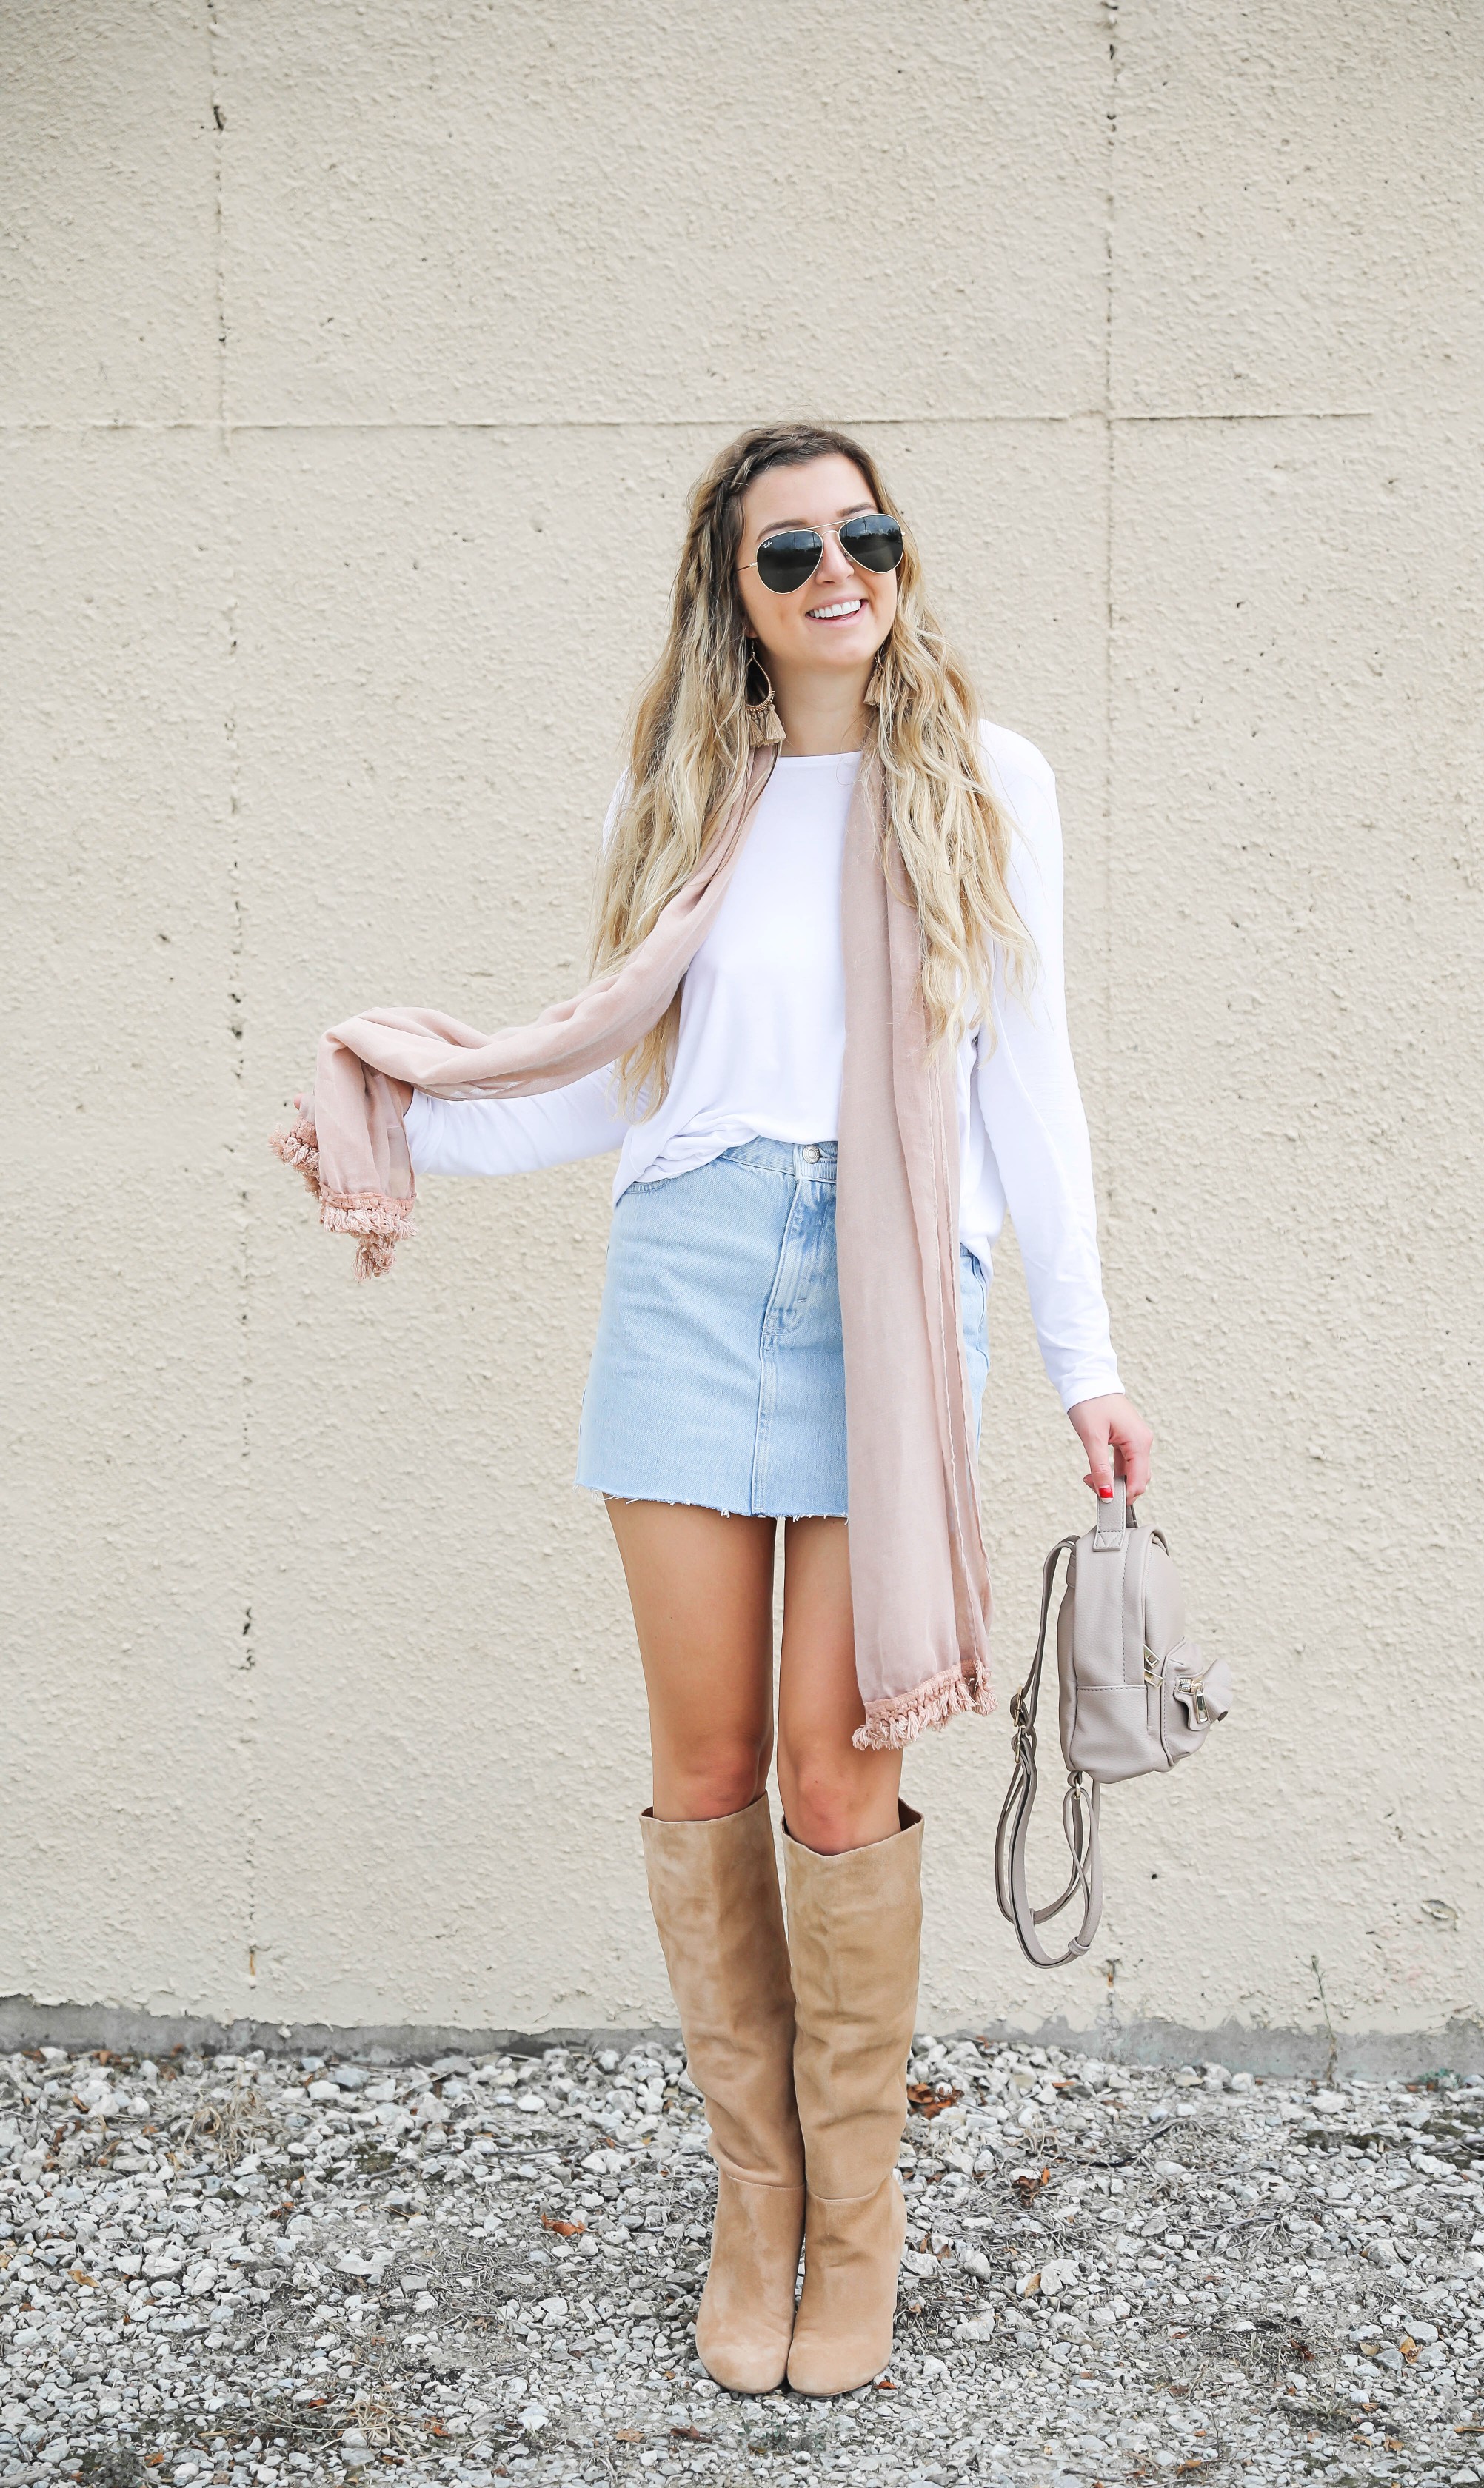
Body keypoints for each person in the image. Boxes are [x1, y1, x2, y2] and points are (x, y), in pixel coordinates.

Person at [280, 422, 1151, 2399]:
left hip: (891, 1285)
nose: (841, 568)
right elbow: (616, 1080)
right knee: (703, 1763)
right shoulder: (686, 787)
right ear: (737, 592)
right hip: (690, 1269)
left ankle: (858, 2236)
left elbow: (1037, 1084)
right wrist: (413, 1113)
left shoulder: (989, 787)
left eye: (869, 533)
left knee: (835, 1785)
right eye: (793, 551)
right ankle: (749, 2212)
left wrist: (1083, 1362)